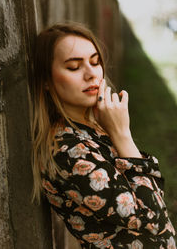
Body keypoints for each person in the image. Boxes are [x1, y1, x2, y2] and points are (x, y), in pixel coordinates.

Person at [31, 22, 176, 249]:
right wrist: (122, 134)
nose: (91, 74)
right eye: (74, 67)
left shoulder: (91, 129)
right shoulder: (68, 151)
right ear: (47, 81)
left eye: (95, 62)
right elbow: (154, 216)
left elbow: (153, 193)